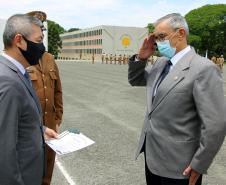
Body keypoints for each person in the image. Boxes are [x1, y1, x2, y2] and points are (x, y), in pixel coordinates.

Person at [128, 13, 226, 185]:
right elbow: (136, 80)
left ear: (180, 33)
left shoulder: (203, 68)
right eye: (155, 38)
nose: (158, 42)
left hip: (180, 165)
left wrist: (200, 163)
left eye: (161, 37)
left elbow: (215, 124)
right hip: (153, 156)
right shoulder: (161, 63)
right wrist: (141, 57)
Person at [0, 14, 58, 185]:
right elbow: (3, 150)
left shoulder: (18, 72)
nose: (42, 47)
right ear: (19, 40)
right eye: (39, 40)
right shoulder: (8, 82)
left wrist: (40, 129)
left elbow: (17, 121)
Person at [26, 11, 63, 185]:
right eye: (38, 27)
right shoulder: (22, 57)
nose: (41, 32)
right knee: (30, 168)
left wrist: (57, 118)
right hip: (29, 126)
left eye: (43, 28)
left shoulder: (49, 58)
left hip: (50, 123)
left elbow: (57, 91)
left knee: (48, 168)